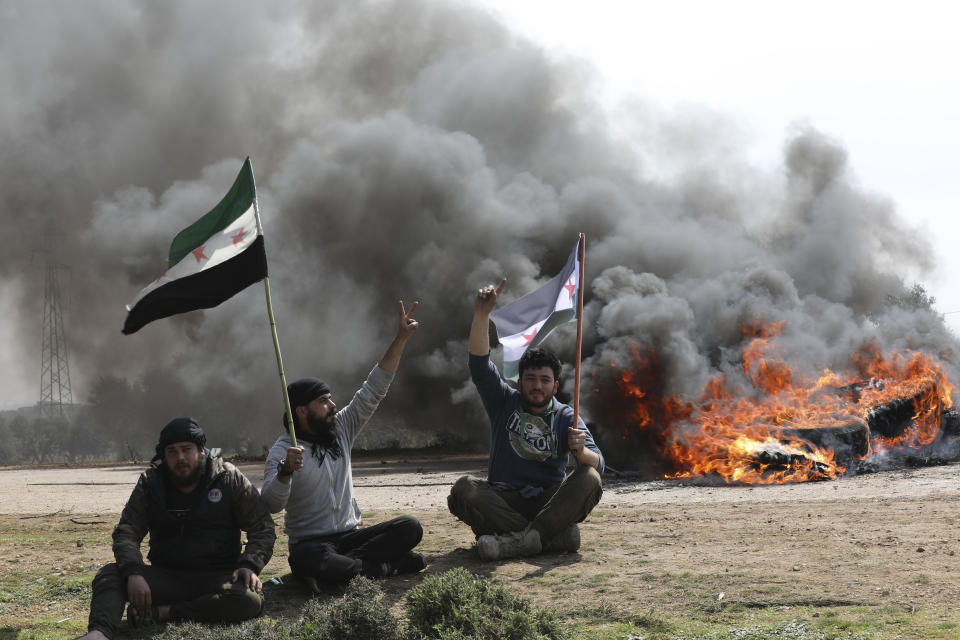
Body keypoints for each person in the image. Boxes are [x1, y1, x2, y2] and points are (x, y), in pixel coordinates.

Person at [261, 300, 425, 588]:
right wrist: (285, 472)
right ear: (301, 411)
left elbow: (374, 389)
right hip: (312, 545)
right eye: (323, 401)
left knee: (409, 528)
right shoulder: (284, 450)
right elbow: (271, 505)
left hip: (351, 538)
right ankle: (387, 569)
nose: (333, 405)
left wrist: (400, 339)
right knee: (310, 559)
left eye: (330, 399)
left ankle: (345, 573)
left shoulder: (341, 428)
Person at [448, 279, 604, 561]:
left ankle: (512, 542)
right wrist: (482, 315)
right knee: (464, 489)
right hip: (503, 501)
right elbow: (479, 366)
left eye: (545, 380)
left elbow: (599, 464)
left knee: (589, 476)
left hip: (548, 503)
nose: (537, 386)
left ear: (555, 386)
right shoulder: (504, 402)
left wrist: (581, 452)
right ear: (519, 383)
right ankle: (546, 538)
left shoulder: (566, 415)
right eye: (530, 379)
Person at [79, 418, 276, 640]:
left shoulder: (227, 477)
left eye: (186, 450)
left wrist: (249, 564)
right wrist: (133, 571)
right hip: (167, 577)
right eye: (172, 452)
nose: (180, 458)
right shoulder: (151, 482)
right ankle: (99, 633)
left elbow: (263, 527)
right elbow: (127, 532)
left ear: (201, 451)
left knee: (249, 600)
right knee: (111, 574)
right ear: (164, 455)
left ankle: (163, 613)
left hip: (218, 576)